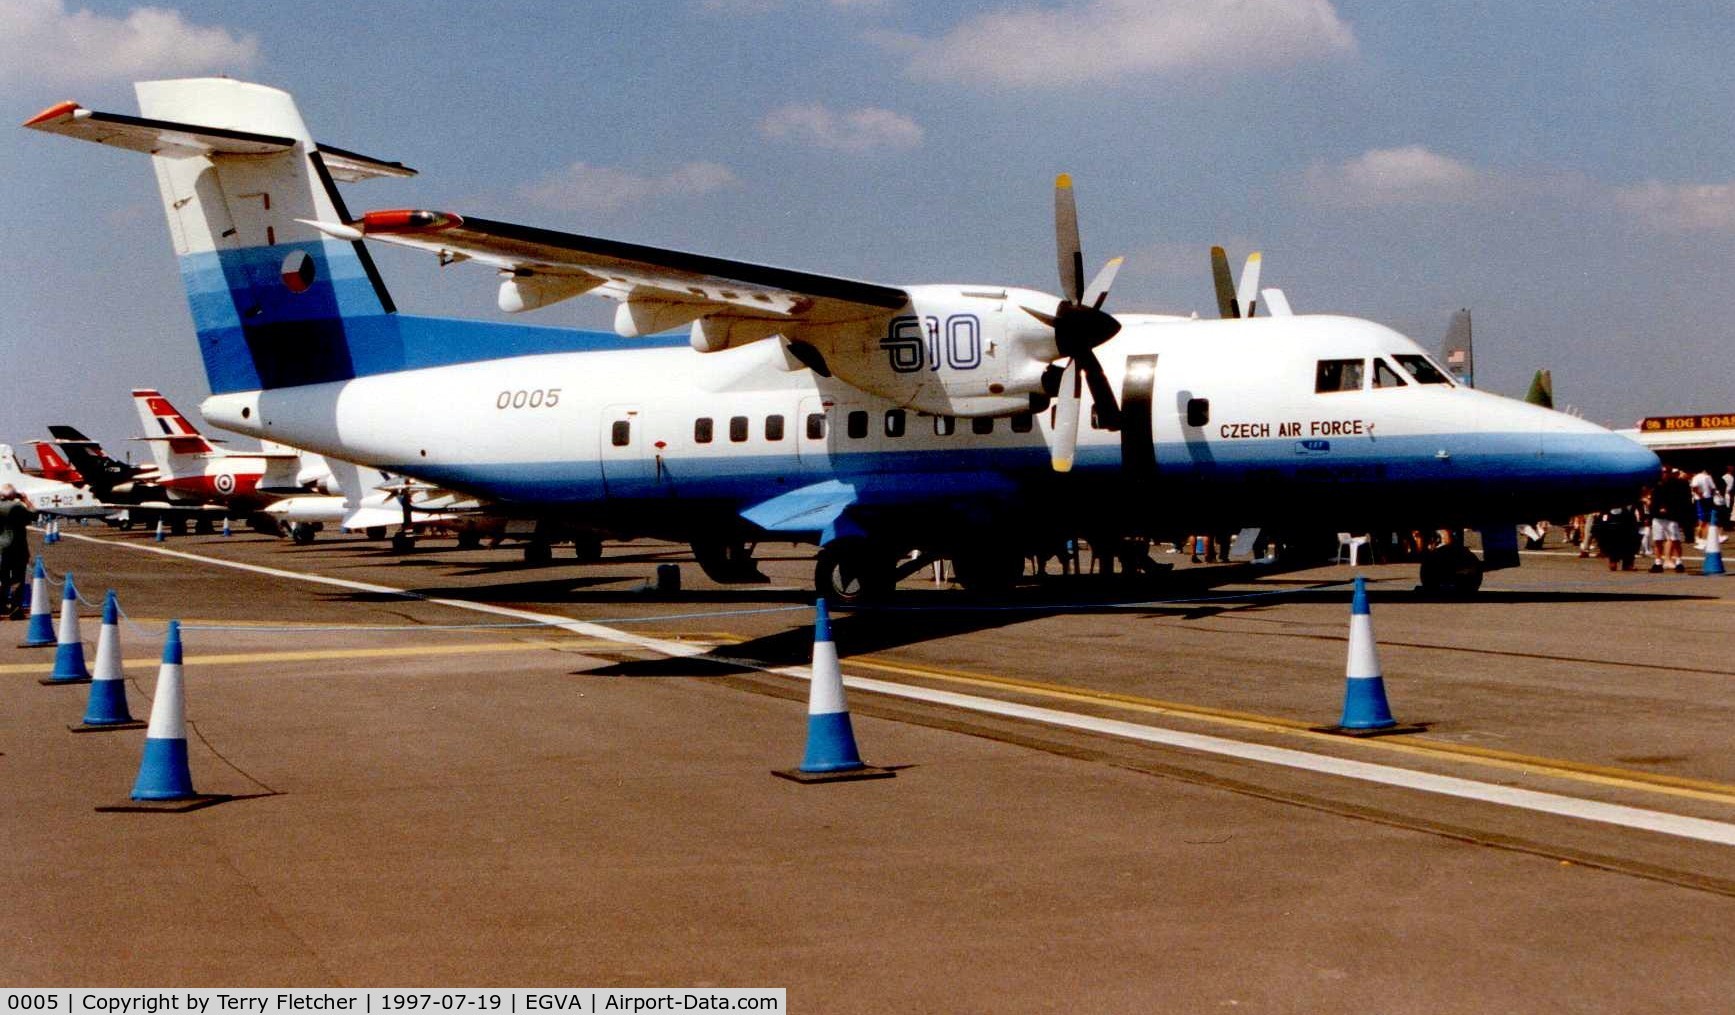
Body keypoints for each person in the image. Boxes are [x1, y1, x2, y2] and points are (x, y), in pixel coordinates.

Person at [0, 485, 35, 619]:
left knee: (2, 579)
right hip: (17, 547)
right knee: (17, 579)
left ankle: (1, 606)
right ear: (13, 495)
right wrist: (25, 500)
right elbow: (34, 514)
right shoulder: (16, 507)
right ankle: (15, 609)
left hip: (1, 547)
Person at [1649, 468, 1693, 573]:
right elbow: (1653, 499)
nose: (1664, 474)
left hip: (1672, 516)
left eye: (1666, 472)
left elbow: (1680, 500)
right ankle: (1658, 562)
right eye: (1662, 472)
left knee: (1675, 539)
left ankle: (1678, 561)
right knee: (1658, 540)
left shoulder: (1677, 485)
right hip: (1657, 517)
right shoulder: (1656, 484)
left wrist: (1671, 509)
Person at [1689, 466, 1717, 548]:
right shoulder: (1707, 477)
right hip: (1706, 499)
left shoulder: (1695, 477)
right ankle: (1700, 538)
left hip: (1700, 499)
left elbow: (1694, 487)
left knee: (1702, 520)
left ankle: (1700, 538)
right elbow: (1713, 488)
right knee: (1706, 520)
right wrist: (1704, 495)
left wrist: (1699, 494)